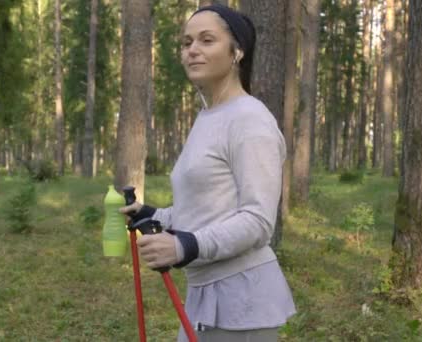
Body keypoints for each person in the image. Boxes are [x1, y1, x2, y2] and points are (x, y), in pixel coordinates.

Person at [120, 4, 296, 342]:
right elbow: (206, 208)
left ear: (237, 52)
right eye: (186, 43)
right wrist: (154, 214)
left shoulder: (250, 119)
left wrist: (186, 245)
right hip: (206, 296)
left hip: (243, 302)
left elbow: (259, 222)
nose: (192, 51)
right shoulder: (209, 116)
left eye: (206, 40)